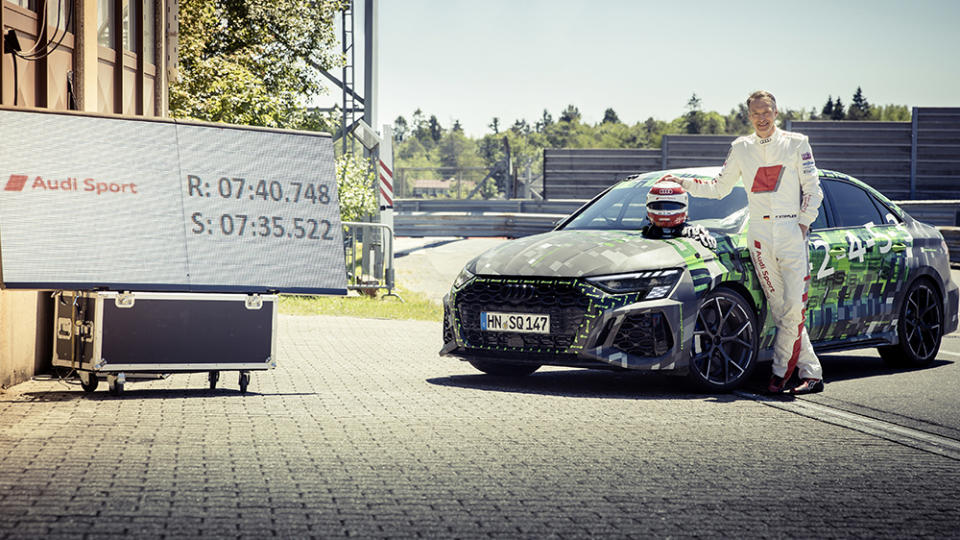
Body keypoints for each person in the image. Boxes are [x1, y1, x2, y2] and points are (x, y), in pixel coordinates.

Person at [659, 90, 824, 395]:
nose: (762, 118)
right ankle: (812, 374)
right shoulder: (741, 147)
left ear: (776, 112)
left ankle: (778, 375)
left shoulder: (797, 143)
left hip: (790, 232)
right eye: (755, 113)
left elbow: (814, 188)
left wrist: (803, 223)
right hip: (759, 237)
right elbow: (719, 188)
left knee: (793, 308)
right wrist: (682, 183)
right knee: (779, 310)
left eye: (767, 112)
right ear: (749, 116)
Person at [642, 180, 717, 250]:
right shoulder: (643, 233)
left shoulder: (693, 233)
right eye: (658, 207)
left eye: (671, 207)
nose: (664, 211)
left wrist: (701, 235)